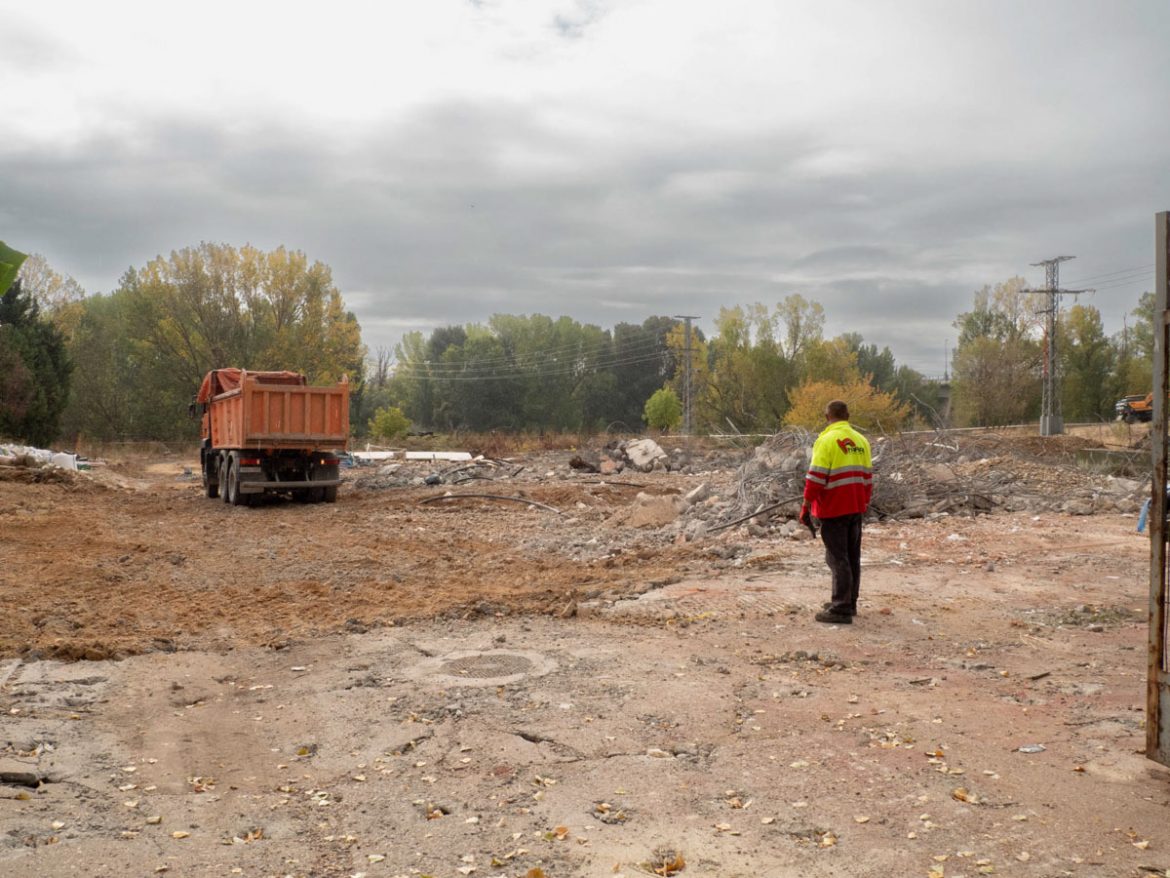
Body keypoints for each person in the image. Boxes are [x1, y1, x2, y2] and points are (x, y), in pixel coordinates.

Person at [799, 400, 873, 624]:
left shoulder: (826, 440)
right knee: (852, 556)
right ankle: (849, 602)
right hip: (855, 507)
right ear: (848, 415)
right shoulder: (861, 441)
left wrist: (805, 507)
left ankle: (840, 607)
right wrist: (863, 503)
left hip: (833, 508)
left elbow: (815, 479)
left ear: (827, 416)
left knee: (837, 557)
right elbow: (868, 478)